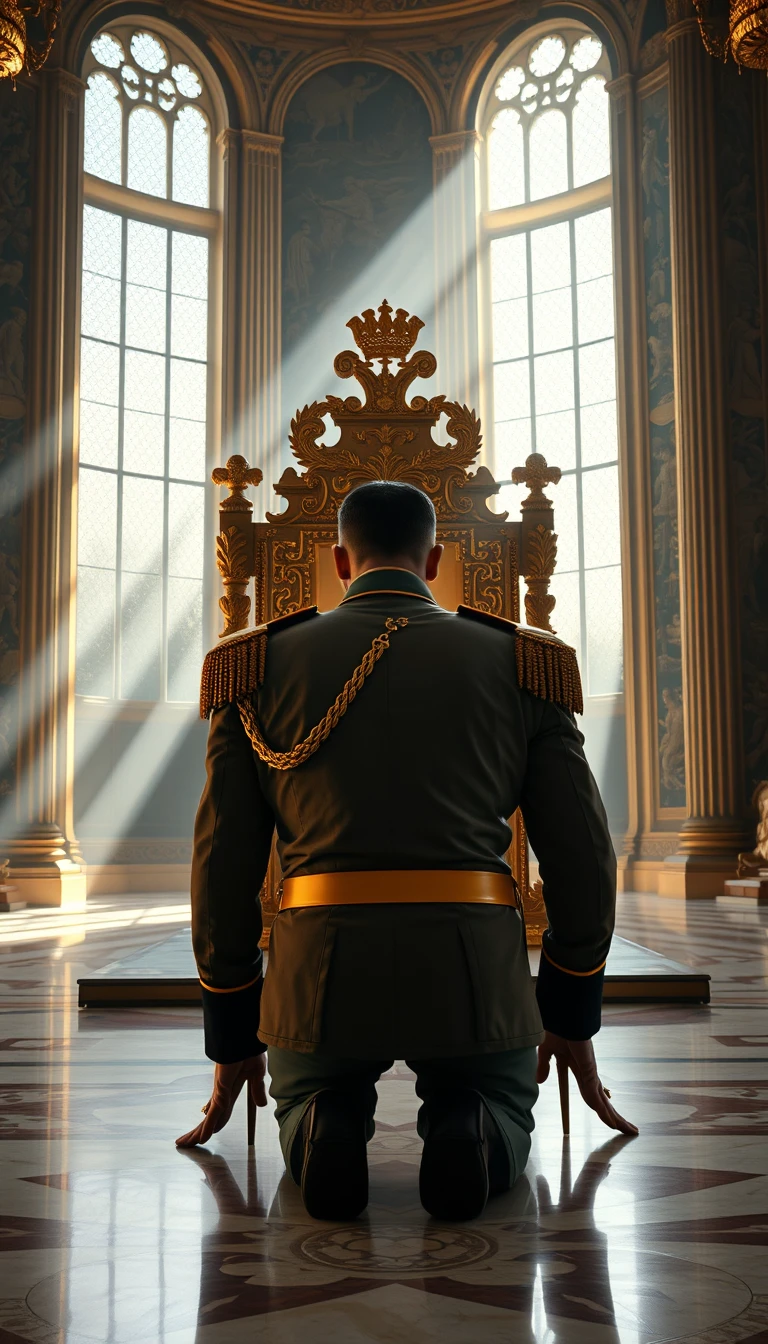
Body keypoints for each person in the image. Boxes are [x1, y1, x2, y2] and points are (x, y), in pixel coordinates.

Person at [176, 481, 637, 1220]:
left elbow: (221, 865)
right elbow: (583, 856)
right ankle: (477, 1125)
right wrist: (570, 1009)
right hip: (472, 976)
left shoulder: (252, 666)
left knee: (306, 1091)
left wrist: (232, 1033)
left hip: (319, 977)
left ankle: (321, 1121)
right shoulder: (527, 664)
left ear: (337, 559)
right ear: (435, 560)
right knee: (496, 1093)